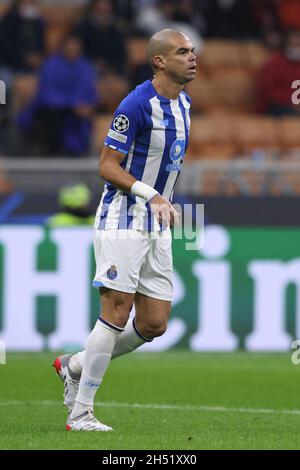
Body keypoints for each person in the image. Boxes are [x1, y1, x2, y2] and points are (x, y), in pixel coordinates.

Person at [53, 28, 196, 431]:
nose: (192, 57)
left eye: (192, 50)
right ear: (159, 61)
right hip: (123, 219)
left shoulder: (184, 102)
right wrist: (151, 195)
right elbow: (107, 165)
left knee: (153, 324)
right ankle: (80, 413)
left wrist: (162, 203)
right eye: (182, 51)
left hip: (156, 226)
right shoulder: (135, 105)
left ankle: (75, 364)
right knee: (117, 311)